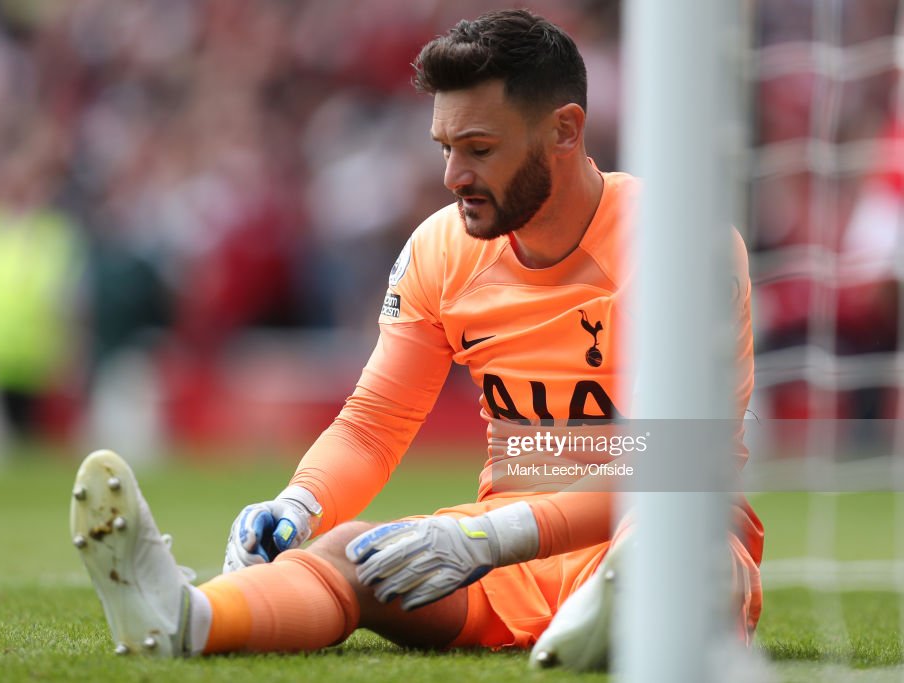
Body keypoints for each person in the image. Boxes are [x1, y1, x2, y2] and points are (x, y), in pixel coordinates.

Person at [69, 9, 763, 669]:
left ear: (565, 130)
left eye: (480, 149)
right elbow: (374, 424)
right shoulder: (442, 249)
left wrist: (490, 535)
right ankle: (186, 618)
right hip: (503, 554)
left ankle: (620, 610)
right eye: (446, 147)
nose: (453, 176)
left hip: (653, 535)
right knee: (350, 550)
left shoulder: (676, 240)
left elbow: (673, 464)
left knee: (667, 543)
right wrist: (298, 503)